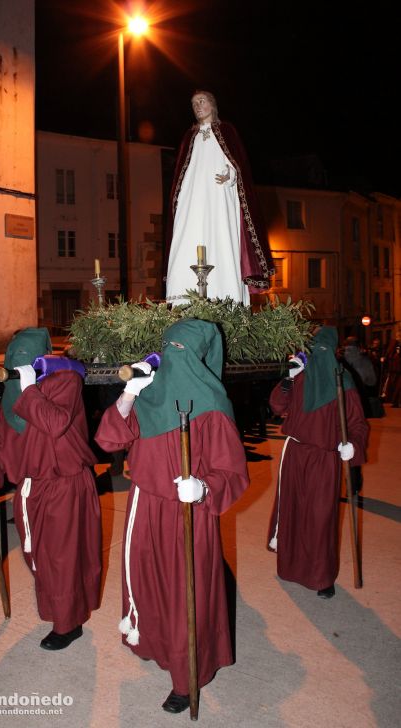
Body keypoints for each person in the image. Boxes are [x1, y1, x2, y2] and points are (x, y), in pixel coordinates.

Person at [95, 318, 250, 713]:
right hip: (144, 506)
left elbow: (232, 472)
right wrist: (128, 396)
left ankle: (186, 678)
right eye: (169, 348)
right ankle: (155, 643)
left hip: (188, 513)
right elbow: (109, 439)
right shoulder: (150, 393)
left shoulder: (214, 407)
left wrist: (204, 488)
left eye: (181, 351)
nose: (172, 358)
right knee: (149, 582)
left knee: (187, 592)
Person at [0, 328, 102, 650]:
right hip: (31, 489)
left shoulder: (66, 382)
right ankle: (66, 611)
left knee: (61, 560)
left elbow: (56, 423)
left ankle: (67, 623)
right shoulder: (14, 393)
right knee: (39, 559)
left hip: (65, 485)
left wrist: (31, 390)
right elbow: (4, 443)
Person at [267, 327, 369, 598]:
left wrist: (353, 446)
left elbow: (357, 424)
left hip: (324, 458)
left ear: (333, 352)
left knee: (320, 517)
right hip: (294, 454)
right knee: (292, 512)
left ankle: (322, 576)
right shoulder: (299, 377)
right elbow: (276, 406)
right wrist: (287, 380)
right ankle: (289, 566)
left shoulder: (343, 381)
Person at [165, 90, 273, 305]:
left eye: (202, 101)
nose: (197, 106)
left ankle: (225, 294)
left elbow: (238, 166)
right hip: (192, 200)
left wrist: (230, 175)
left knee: (221, 236)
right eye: (194, 103)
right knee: (188, 234)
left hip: (219, 196)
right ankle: (183, 296)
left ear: (212, 105)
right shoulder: (190, 137)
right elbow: (181, 172)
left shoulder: (227, 131)